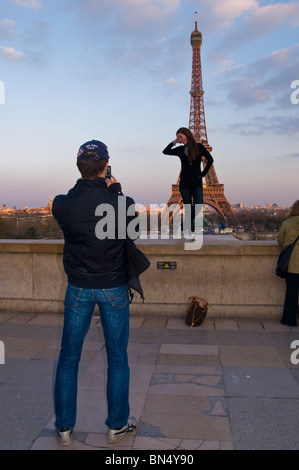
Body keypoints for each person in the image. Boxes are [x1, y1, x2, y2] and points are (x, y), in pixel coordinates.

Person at [52, 139, 142, 445]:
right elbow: (131, 234)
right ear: (106, 167)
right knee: (118, 358)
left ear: (79, 167)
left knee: (68, 359)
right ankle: (117, 424)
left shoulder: (61, 204)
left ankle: (64, 427)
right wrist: (114, 193)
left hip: (78, 287)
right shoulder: (122, 204)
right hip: (114, 287)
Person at [163, 127, 214, 232]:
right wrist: (174, 142)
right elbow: (165, 151)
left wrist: (203, 174)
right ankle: (190, 230)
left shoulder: (199, 147)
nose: (180, 140)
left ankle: (186, 223)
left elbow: (210, 159)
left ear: (187, 134)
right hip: (184, 183)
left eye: (181, 137)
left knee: (198, 205)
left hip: (196, 182)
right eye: (178, 138)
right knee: (188, 208)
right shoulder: (180, 149)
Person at [277, 200, 299, 327]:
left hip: (293, 264)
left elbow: (280, 240)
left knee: (291, 293)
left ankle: (289, 319)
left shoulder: (287, 223)